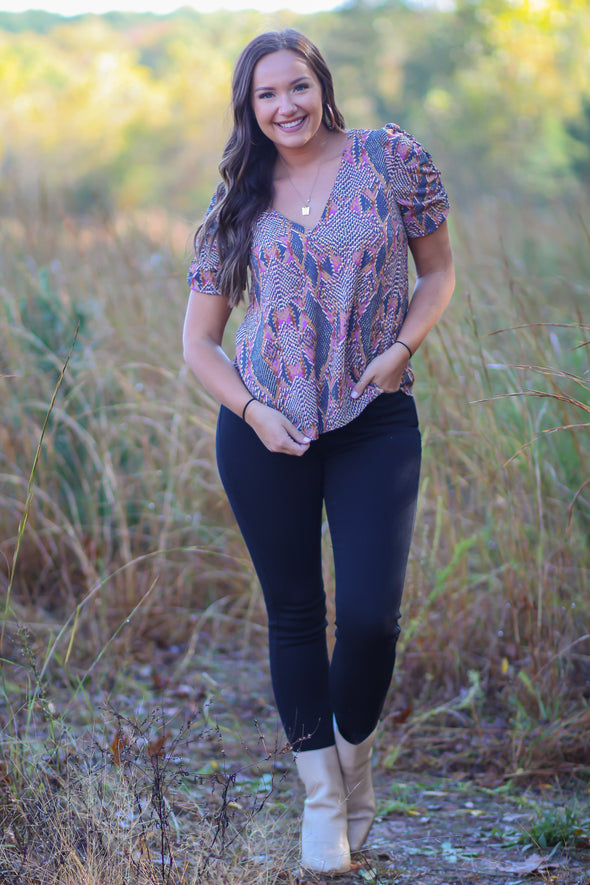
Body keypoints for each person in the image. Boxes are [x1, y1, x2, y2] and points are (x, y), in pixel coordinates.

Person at [183, 28, 455, 874]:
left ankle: (356, 759)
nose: (285, 106)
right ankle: (323, 801)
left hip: (374, 414)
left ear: (321, 85)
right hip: (268, 429)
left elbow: (439, 274)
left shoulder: (390, 160)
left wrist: (401, 348)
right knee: (295, 613)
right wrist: (254, 410)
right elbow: (198, 343)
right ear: (249, 108)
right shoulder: (237, 198)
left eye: (297, 87)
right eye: (266, 95)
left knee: (371, 617)